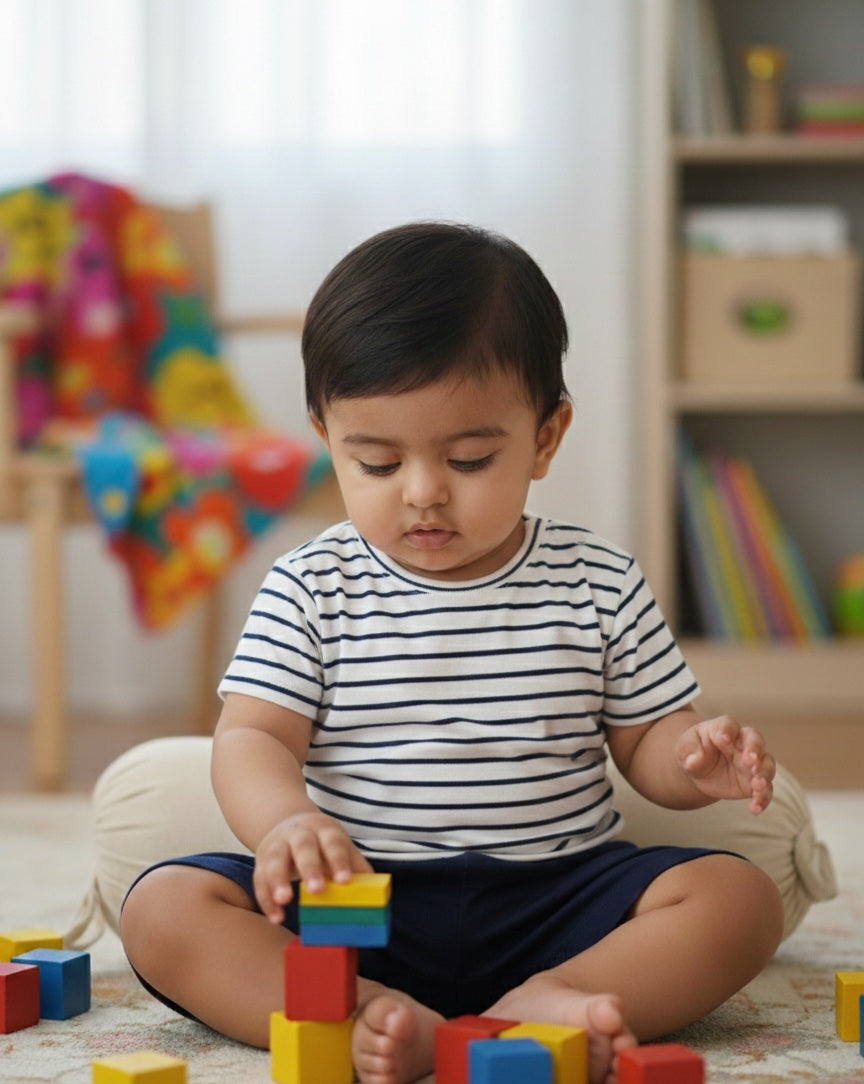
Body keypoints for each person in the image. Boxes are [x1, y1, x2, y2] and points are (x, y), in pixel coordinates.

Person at [120, 222, 784, 1084]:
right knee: (164, 907)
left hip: (558, 900)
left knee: (740, 899)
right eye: (377, 462)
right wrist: (286, 822)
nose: (424, 492)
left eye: (469, 459)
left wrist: (693, 760)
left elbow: (646, 744)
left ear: (546, 437)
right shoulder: (309, 585)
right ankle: (367, 1016)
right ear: (327, 439)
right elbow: (252, 737)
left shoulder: (599, 578)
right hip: (358, 905)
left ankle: (550, 1000)